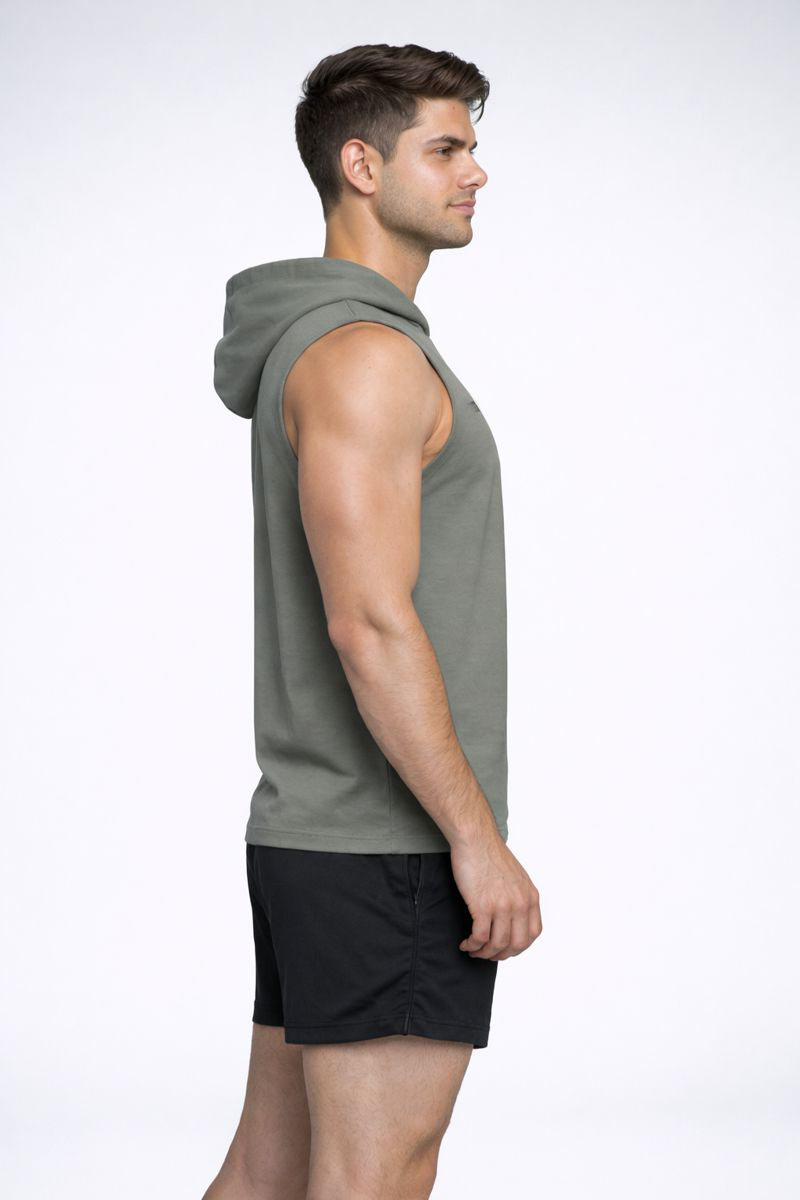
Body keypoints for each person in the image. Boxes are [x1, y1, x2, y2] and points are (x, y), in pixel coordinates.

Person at [206, 41, 542, 1200]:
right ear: (361, 165)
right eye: (444, 149)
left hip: (321, 839)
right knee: (376, 1175)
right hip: (384, 849)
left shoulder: (334, 345)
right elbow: (368, 623)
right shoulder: (365, 359)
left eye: (471, 148)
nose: (474, 173)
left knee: (268, 1177)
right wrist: (473, 840)